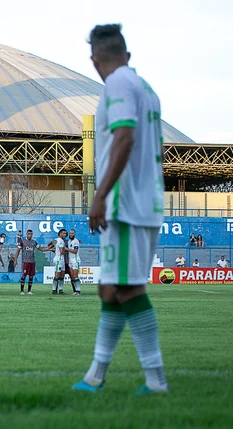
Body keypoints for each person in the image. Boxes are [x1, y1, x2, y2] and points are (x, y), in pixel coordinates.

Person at [72, 24, 168, 395]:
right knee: (109, 289)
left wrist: (100, 194)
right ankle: (95, 377)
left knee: (126, 289)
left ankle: (156, 380)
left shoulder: (117, 85)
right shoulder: (146, 89)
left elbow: (125, 137)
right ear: (126, 54)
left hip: (127, 203)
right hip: (141, 201)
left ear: (94, 60)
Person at [15, 229, 47, 295]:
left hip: (32, 262)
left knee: (31, 276)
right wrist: (15, 259)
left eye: (31, 234)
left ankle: (29, 291)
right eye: (28, 234)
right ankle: (22, 291)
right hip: (25, 261)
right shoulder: (23, 241)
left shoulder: (34, 242)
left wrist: (49, 249)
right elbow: (18, 250)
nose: (30, 235)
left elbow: (41, 249)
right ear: (26, 234)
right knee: (23, 276)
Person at [66, 229, 82, 296]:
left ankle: (78, 291)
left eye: (72, 233)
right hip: (70, 260)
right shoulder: (69, 241)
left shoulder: (76, 241)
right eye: (70, 233)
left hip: (75, 260)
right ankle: (75, 291)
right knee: (72, 277)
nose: (71, 234)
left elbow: (75, 251)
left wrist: (66, 249)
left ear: (74, 234)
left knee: (75, 276)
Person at [52, 229, 68, 295]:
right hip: (59, 259)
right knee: (57, 275)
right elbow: (61, 252)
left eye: (65, 233)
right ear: (60, 234)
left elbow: (49, 245)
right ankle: (54, 290)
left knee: (62, 275)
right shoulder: (61, 241)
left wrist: (55, 251)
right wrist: (67, 251)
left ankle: (60, 290)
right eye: (63, 233)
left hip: (61, 259)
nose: (65, 235)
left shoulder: (56, 240)